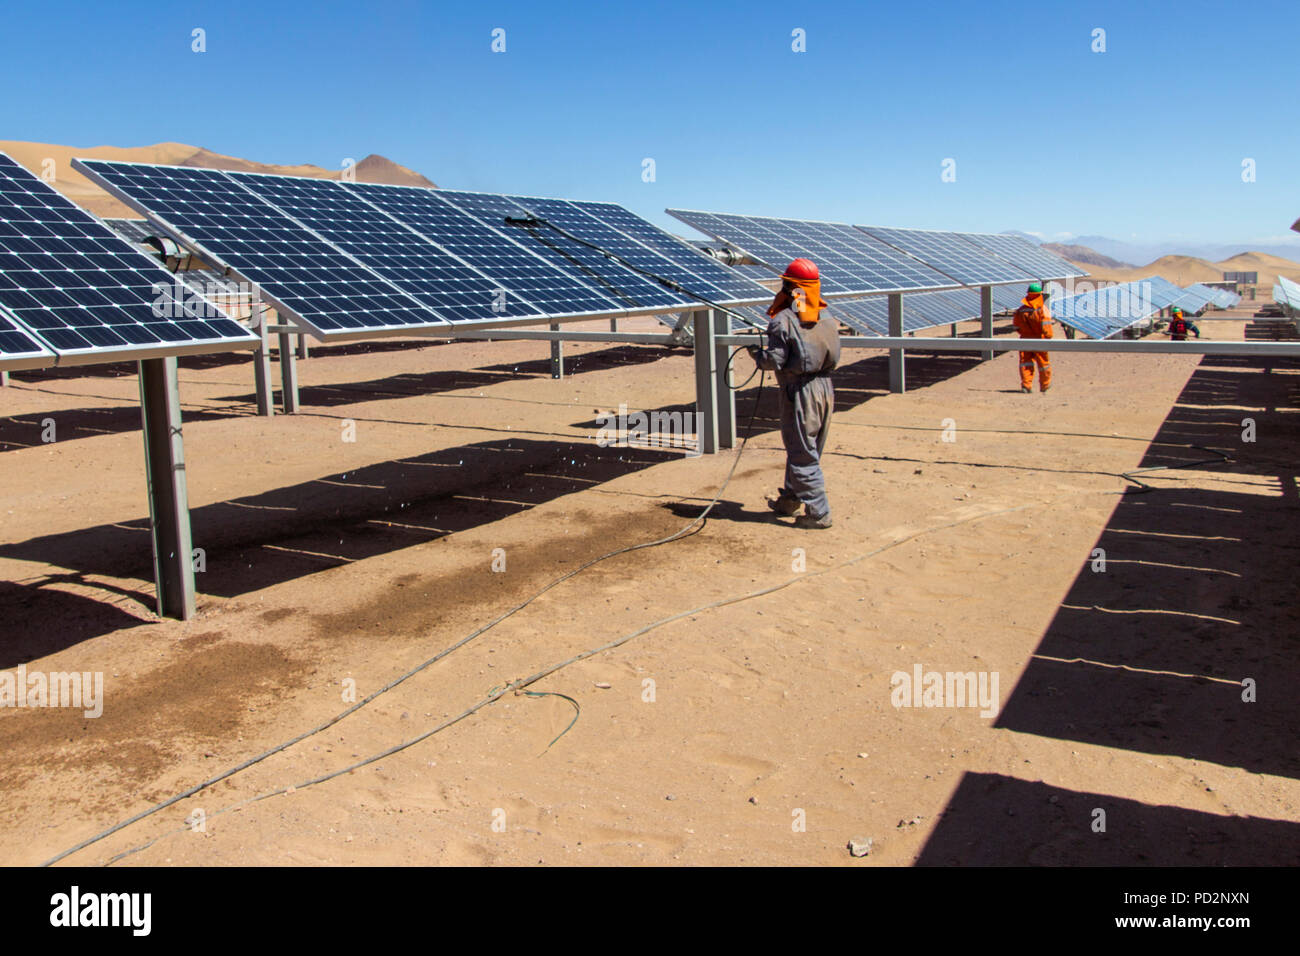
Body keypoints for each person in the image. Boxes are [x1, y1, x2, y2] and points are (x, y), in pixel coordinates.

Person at [747, 258, 840, 529]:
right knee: (806, 448)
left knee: (801, 452)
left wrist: (757, 354)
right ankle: (789, 500)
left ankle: (819, 513)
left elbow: (772, 362)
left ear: (789, 287)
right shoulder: (827, 317)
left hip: (799, 393)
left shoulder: (783, 321)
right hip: (825, 388)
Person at [1012, 282, 1054, 393]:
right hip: (1040, 340)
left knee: (1025, 363)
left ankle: (1026, 386)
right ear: (1039, 294)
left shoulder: (1021, 310)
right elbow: (1047, 327)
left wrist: (1024, 333)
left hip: (1025, 339)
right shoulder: (1042, 309)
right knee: (1043, 364)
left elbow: (1016, 325)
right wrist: (1048, 337)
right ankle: (1045, 385)